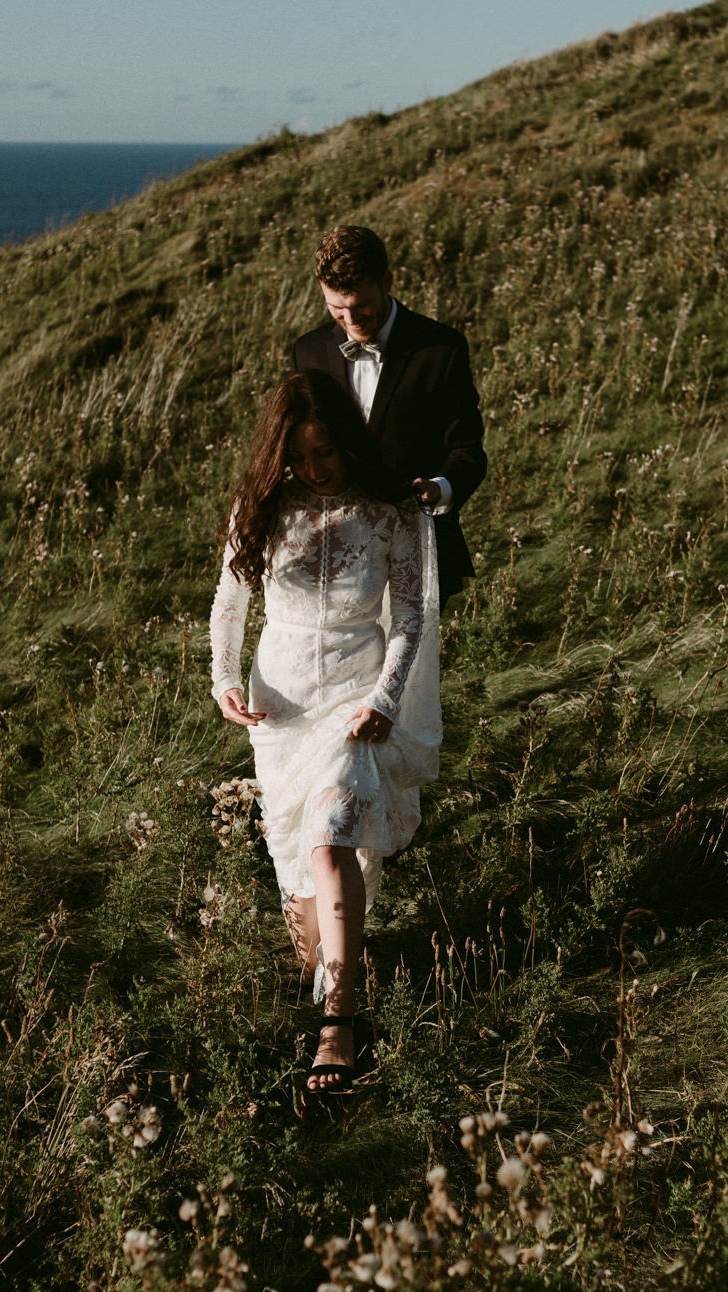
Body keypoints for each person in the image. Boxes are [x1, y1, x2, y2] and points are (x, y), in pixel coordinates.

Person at [210, 369, 442, 1093]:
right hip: (280, 705)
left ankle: (338, 1027)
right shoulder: (261, 507)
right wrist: (223, 679)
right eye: (300, 457)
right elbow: (229, 603)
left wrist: (384, 698)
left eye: (326, 454)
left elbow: (409, 619)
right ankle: (329, 975)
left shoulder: (390, 514)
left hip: (354, 697)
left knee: (333, 828)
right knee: (306, 928)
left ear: (346, 442)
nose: (313, 470)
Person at [289, 225, 486, 600]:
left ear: (387, 281)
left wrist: (438, 489)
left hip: (416, 553)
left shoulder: (442, 350)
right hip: (332, 559)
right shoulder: (307, 353)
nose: (351, 320)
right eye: (336, 308)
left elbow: (469, 453)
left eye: (360, 306)